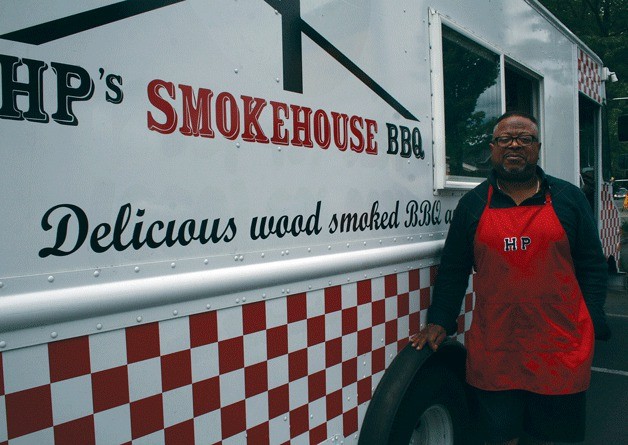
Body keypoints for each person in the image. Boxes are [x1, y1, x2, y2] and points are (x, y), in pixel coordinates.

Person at [410, 112, 611, 445]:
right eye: (505, 139)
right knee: (499, 437)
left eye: (525, 138)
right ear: (493, 148)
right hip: (497, 347)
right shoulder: (473, 205)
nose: (515, 145)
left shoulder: (568, 198)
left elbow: (592, 265)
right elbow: (454, 268)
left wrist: (591, 319)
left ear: (537, 148)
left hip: (559, 347)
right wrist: (440, 320)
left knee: (555, 439)